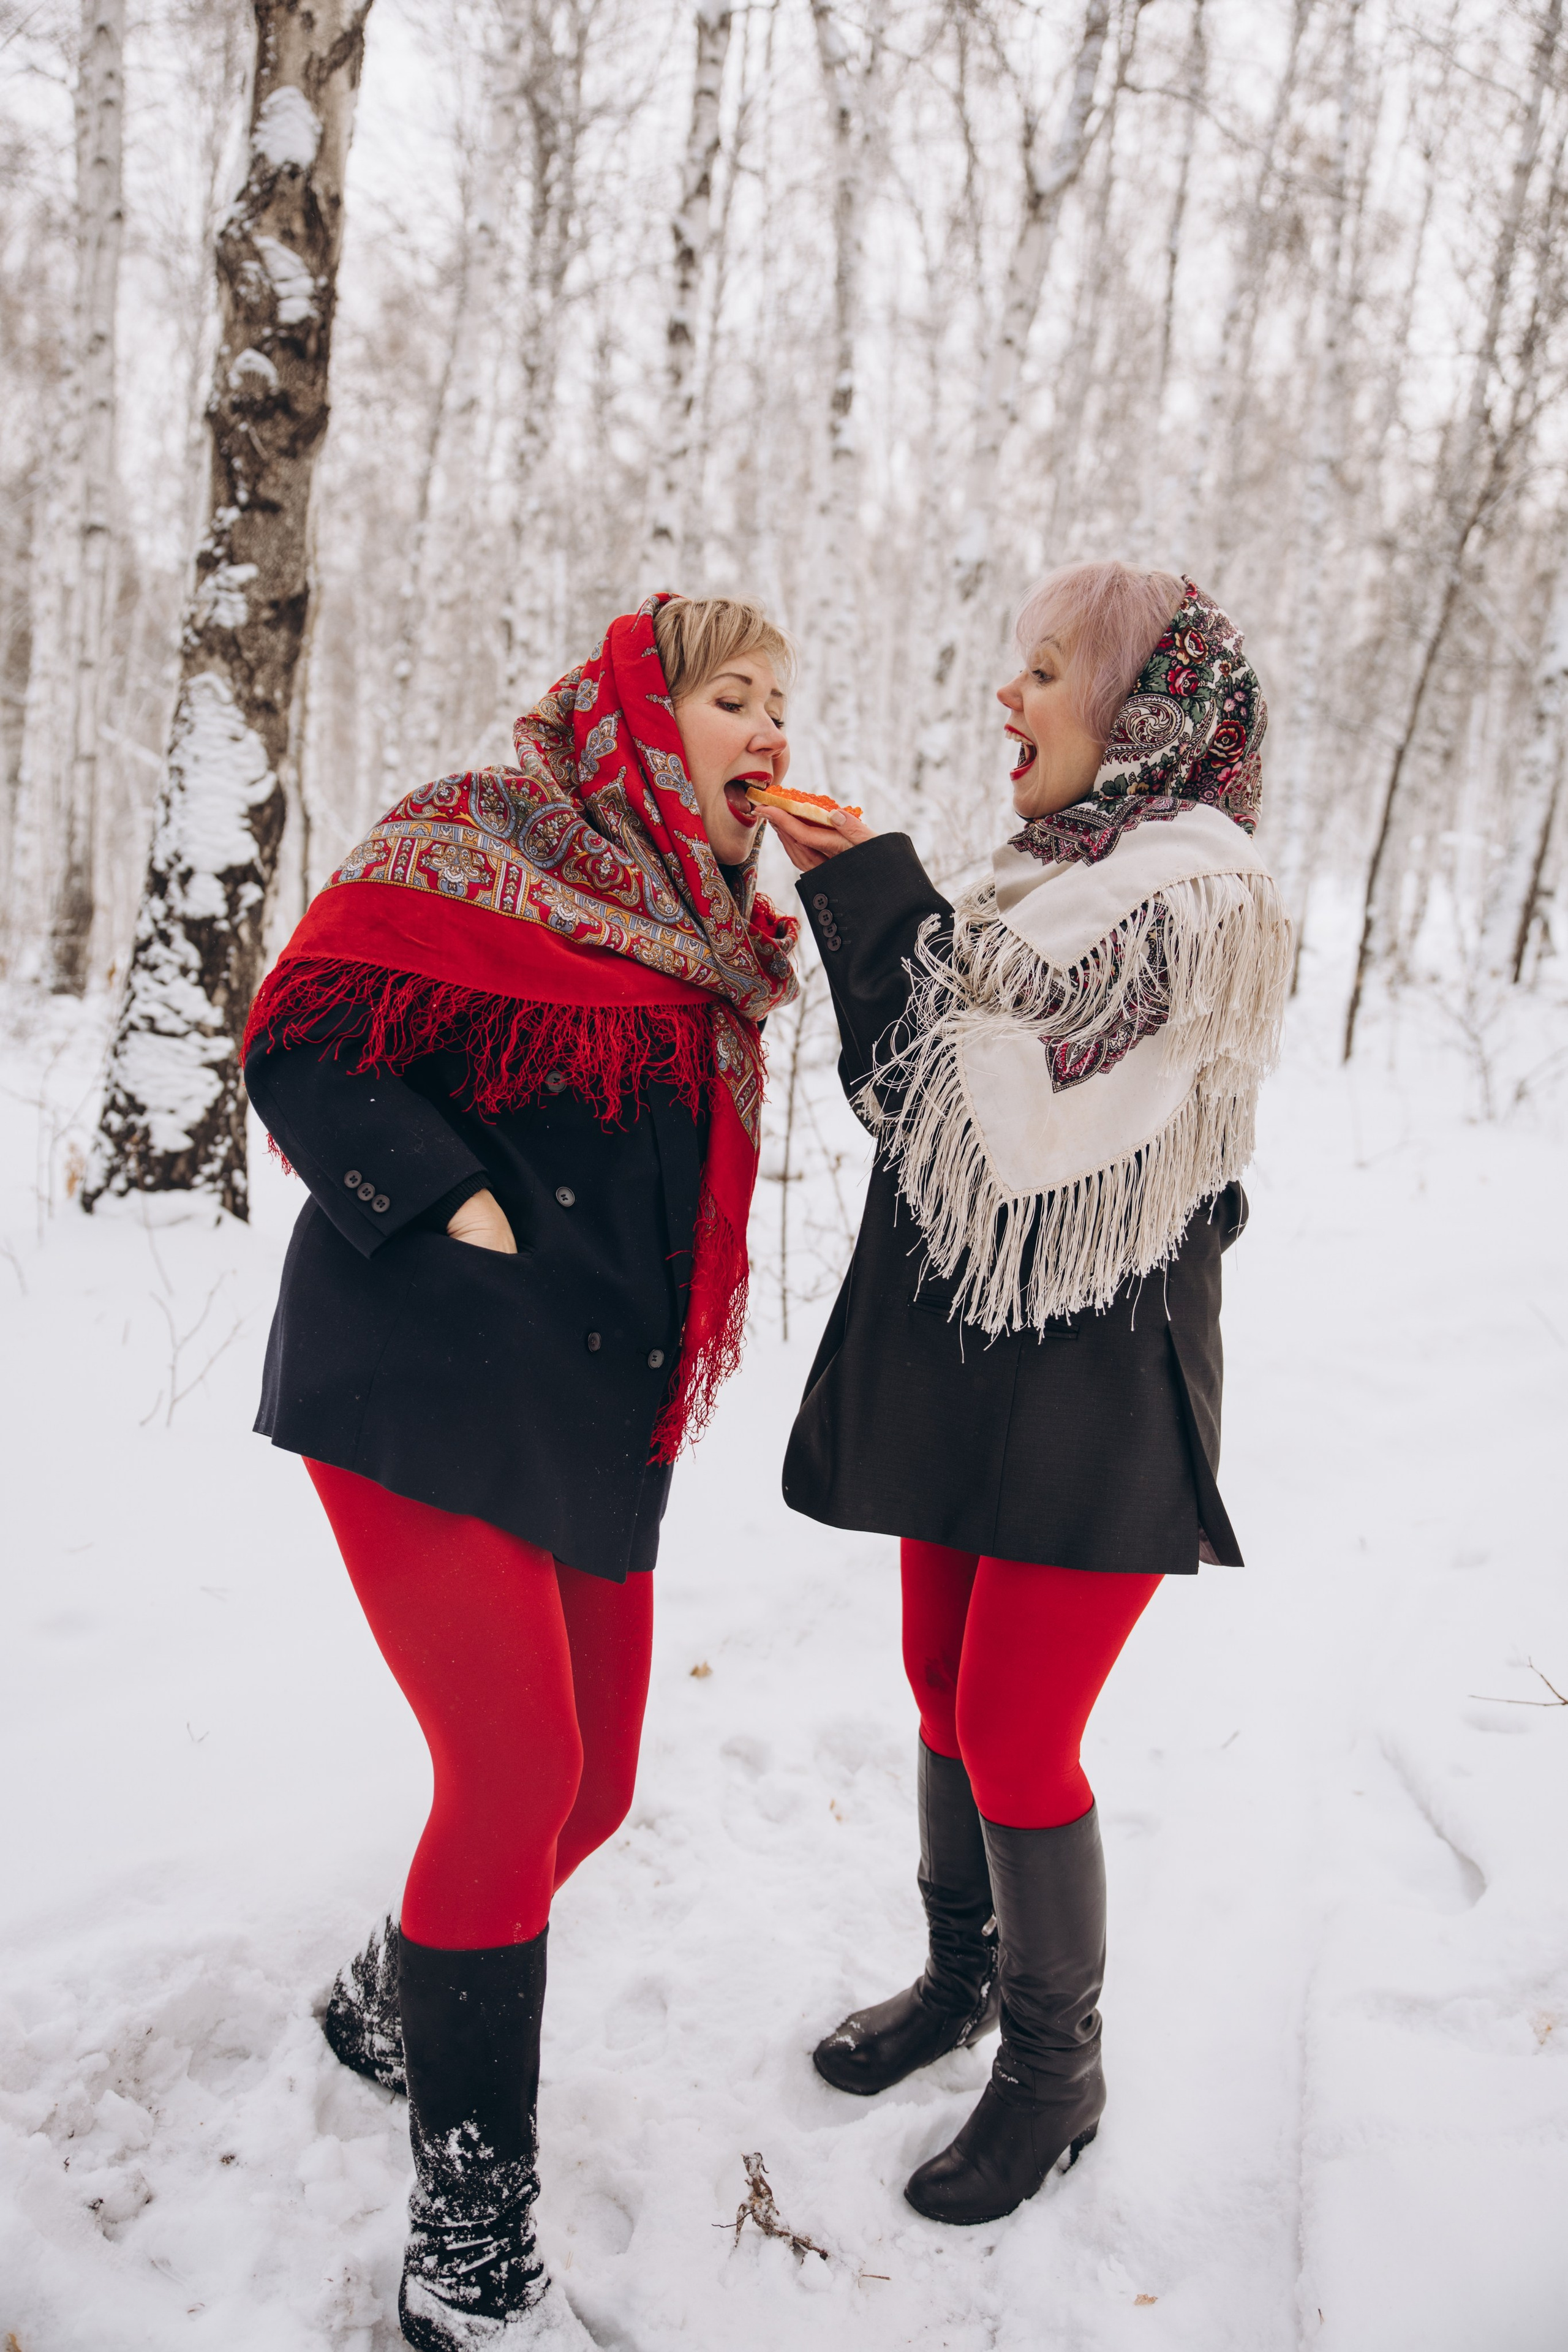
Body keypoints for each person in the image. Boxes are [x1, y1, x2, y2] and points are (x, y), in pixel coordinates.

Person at [243, 596, 799, 2348]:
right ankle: (468, 2260)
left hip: (582, 1402)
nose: (770, 729)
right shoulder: (476, 835)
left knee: (597, 1785)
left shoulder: (716, 931)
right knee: (513, 1771)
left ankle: (389, 2001)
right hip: (420, 1362)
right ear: (642, 714)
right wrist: (450, 1204)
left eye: (783, 703)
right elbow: (299, 1034)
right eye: (735, 696)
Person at [763, 562, 1290, 2228]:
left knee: (1015, 1725)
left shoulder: (1193, 899)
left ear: (1143, 718)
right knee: (940, 1684)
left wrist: (878, 893)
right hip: (969, 1355)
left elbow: (1014, 1122)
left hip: (1098, 1382)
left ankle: (1059, 2072)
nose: (1013, 694)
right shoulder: (1041, 880)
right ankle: (963, 1977)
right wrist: (863, 892)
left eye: (1049, 668)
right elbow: (912, 1092)